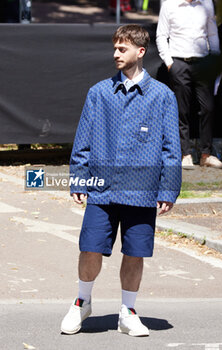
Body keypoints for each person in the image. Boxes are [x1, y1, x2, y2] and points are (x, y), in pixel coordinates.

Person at [61, 24, 182, 337]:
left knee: (135, 252)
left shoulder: (163, 96)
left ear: (140, 52)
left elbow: (172, 147)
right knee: (89, 248)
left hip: (142, 190)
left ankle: (127, 312)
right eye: (114, 48)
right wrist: (78, 179)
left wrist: (168, 187)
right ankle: (81, 302)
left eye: (122, 48)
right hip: (101, 188)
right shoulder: (99, 92)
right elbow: (83, 140)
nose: (116, 53)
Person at [156, 0, 222, 169]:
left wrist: (216, 57)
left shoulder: (206, 3)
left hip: (203, 62)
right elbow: (161, 35)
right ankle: (185, 154)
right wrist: (169, 62)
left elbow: (212, 33)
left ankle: (206, 155)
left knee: (208, 108)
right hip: (179, 62)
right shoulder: (169, 4)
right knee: (182, 110)